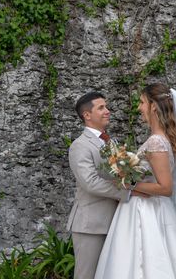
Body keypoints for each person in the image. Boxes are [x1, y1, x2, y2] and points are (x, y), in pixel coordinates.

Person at [94, 83, 176, 279]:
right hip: (148, 207)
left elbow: (165, 187)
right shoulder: (160, 139)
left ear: (154, 106)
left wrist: (129, 185)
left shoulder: (156, 142)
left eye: (142, 102)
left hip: (148, 210)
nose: (139, 108)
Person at [67, 92, 130, 279]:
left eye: (107, 107)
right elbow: (90, 183)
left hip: (115, 220)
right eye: (101, 108)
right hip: (91, 225)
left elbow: (125, 173)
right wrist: (128, 193)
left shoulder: (112, 142)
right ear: (87, 115)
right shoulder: (80, 146)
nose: (107, 111)